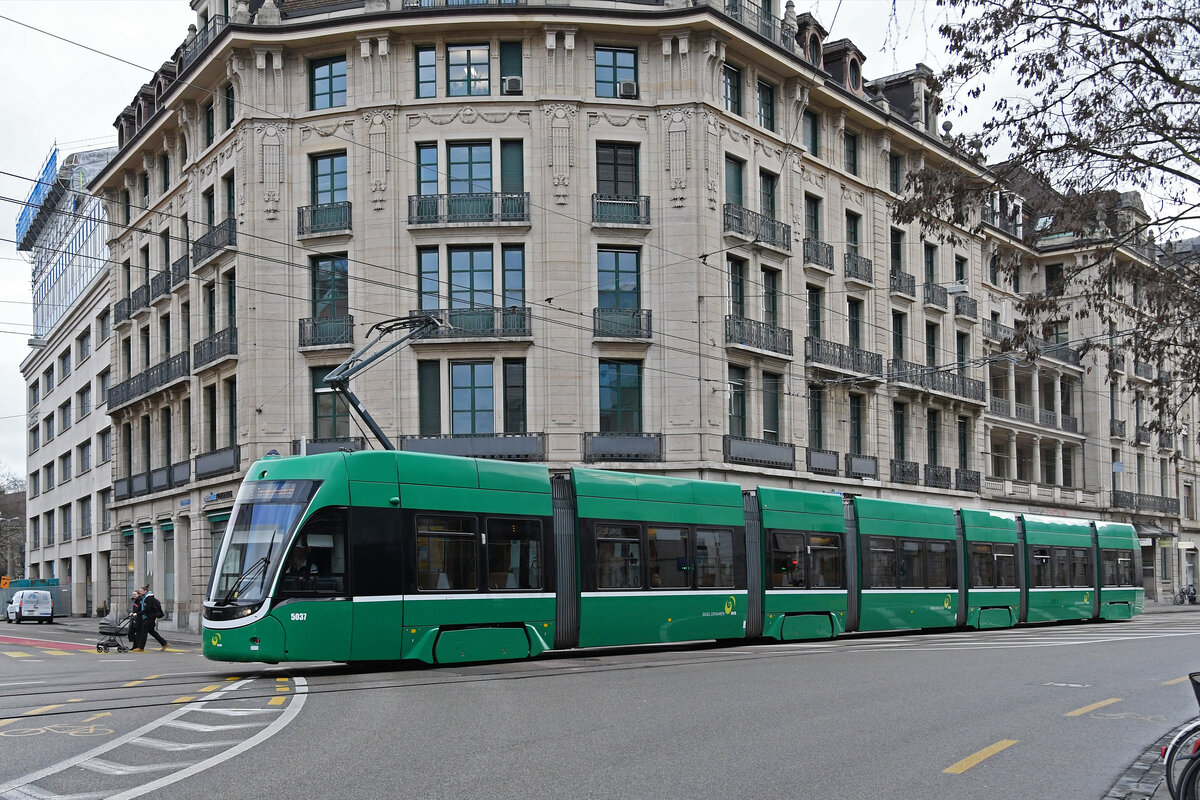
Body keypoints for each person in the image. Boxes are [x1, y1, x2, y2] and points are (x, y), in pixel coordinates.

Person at [139, 585, 169, 651]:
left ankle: (141, 648)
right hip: (149, 617)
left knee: (143, 632)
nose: (140, 592)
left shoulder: (149, 598)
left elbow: (148, 609)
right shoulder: (145, 597)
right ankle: (164, 643)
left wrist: (139, 613)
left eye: (141, 591)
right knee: (152, 632)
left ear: (145, 591)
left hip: (149, 618)